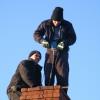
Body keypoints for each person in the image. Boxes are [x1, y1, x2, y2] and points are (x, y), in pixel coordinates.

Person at [33, 7, 76, 97]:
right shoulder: (45, 24)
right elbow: (36, 34)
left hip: (62, 53)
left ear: (61, 20)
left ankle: (63, 95)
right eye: (54, 21)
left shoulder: (67, 25)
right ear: (52, 18)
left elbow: (73, 38)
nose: (56, 23)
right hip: (49, 52)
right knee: (48, 73)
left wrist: (65, 42)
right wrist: (41, 40)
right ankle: (48, 96)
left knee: (62, 73)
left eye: (58, 21)